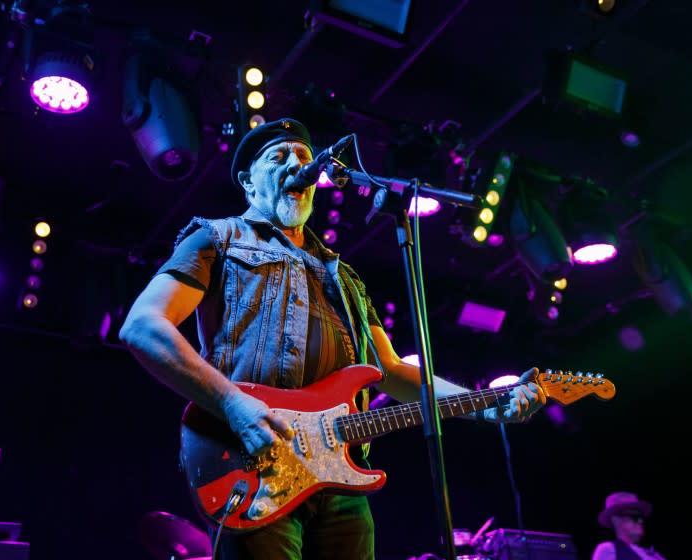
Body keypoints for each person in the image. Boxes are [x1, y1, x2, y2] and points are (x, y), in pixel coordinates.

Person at [119, 117, 547, 560]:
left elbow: (392, 370)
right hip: (253, 462)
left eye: (304, 157)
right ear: (248, 181)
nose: (297, 164)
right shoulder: (218, 237)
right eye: (279, 157)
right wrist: (231, 402)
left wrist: (485, 405)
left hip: (340, 481)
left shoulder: (346, 279)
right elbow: (143, 326)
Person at [591, 491, 666, 560]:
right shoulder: (609, 549)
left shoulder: (655, 554)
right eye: (634, 517)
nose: (640, 521)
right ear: (616, 520)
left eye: (641, 517)